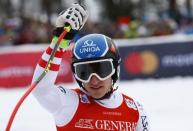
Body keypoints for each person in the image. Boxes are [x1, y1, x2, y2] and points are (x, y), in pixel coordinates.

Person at [32, 3, 150, 131]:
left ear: (115, 70)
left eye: (102, 70)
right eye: (84, 72)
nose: (94, 80)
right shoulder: (69, 103)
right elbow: (41, 89)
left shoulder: (136, 111)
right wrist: (59, 43)